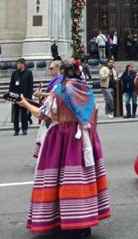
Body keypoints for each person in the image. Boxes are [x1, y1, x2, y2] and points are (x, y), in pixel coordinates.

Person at [17, 59, 111, 236]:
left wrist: (26, 104)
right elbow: (94, 116)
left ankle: (63, 220)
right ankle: (84, 222)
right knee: (83, 179)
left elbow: (42, 114)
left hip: (62, 139)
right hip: (84, 139)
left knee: (59, 179)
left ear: (64, 72)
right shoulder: (87, 90)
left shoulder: (60, 91)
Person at [33, 60, 63, 160]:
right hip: (49, 110)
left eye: (51, 68)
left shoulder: (60, 80)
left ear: (58, 68)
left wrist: (41, 94)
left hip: (56, 112)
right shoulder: (54, 80)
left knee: (49, 135)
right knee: (44, 134)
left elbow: (55, 94)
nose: (50, 70)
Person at [9, 58, 34, 135]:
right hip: (16, 97)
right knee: (16, 114)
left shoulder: (28, 73)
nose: (17, 65)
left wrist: (29, 97)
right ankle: (16, 129)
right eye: (17, 63)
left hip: (25, 97)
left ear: (23, 64)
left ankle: (24, 129)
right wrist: (11, 96)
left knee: (24, 114)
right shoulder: (15, 73)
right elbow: (11, 85)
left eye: (19, 63)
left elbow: (30, 86)